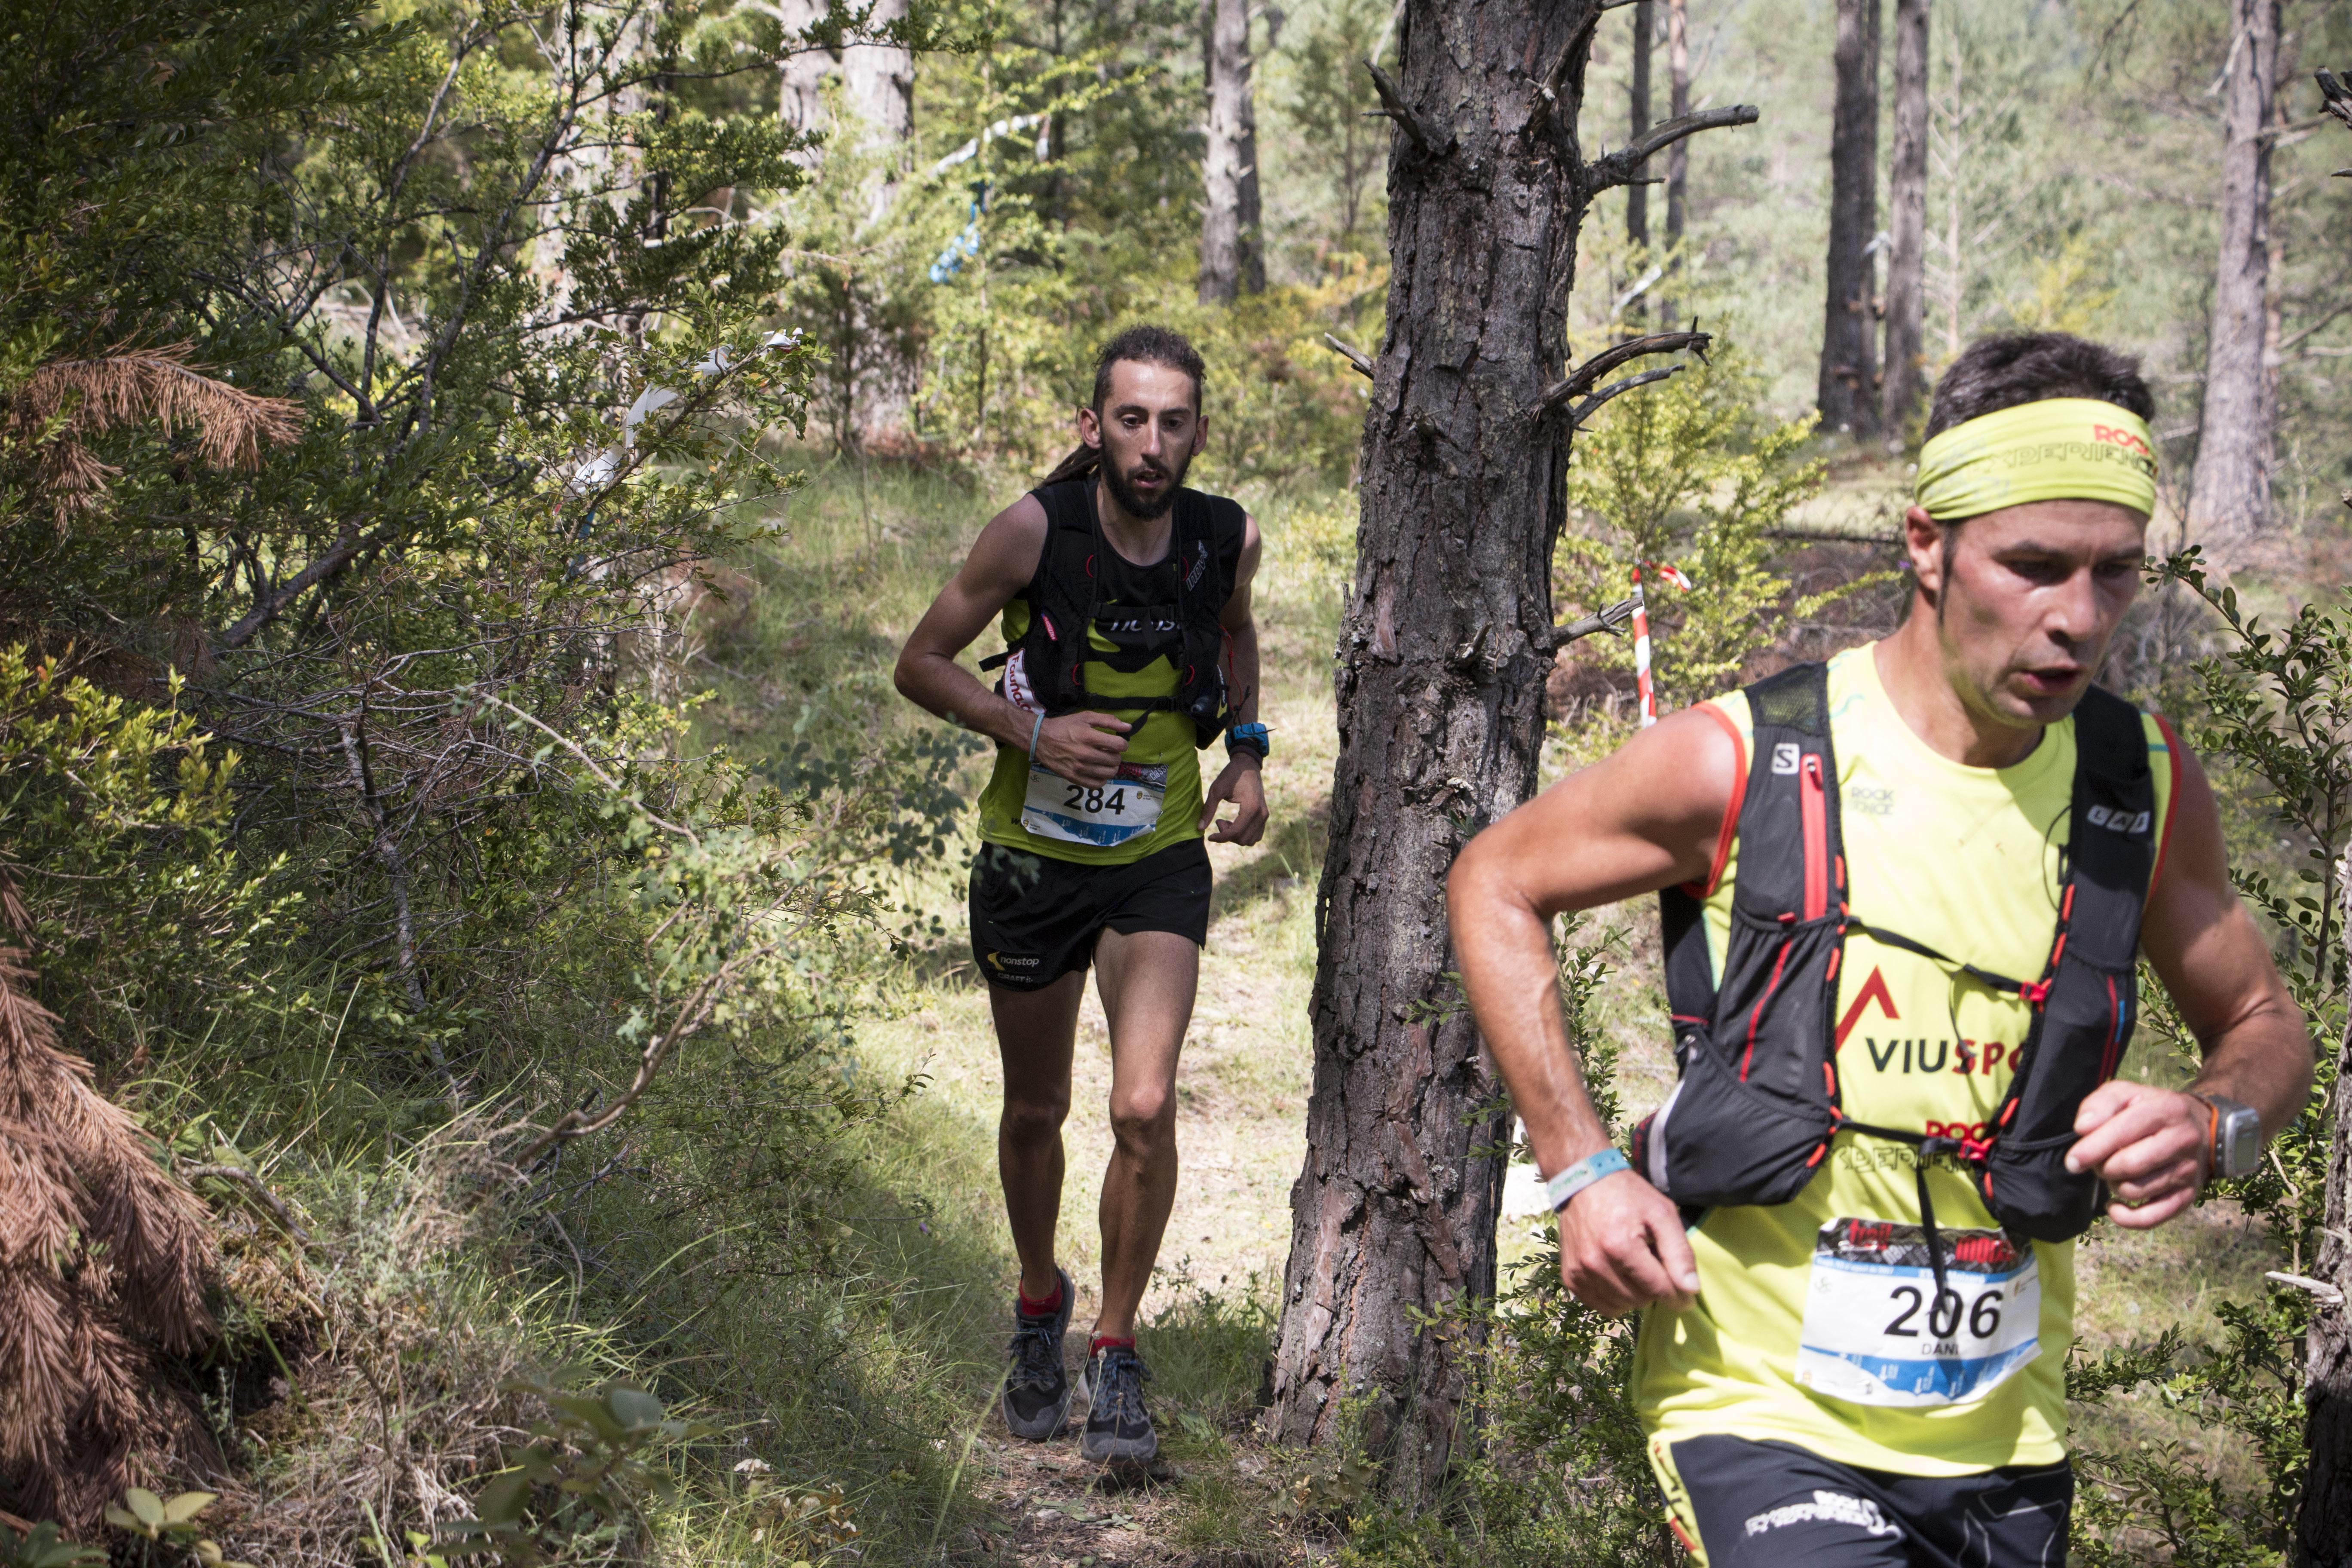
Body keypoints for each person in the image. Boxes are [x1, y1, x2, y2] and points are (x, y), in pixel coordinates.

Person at [1448, 332, 2314, 1566]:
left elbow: (2268, 1030)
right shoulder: (1748, 757)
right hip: (1754, 1410)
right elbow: (1496, 878)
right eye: (2034, 566)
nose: (2078, 620)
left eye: (2117, 576)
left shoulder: (2143, 781)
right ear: (1925, 542)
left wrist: (2216, 1123)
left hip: (2003, 1439)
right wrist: (1581, 1168)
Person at [893, 325, 1268, 1464]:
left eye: (1175, 423)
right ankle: (1038, 1303)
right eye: (1131, 420)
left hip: (1156, 854)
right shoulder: (1031, 532)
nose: (1153, 445)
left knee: (1143, 1109)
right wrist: (1027, 727)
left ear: (1199, 431)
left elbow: (1239, 635)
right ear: (1094, 425)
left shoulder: (1224, 538)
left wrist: (1247, 758)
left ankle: (1115, 1349)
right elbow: (921, 660)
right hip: (1032, 858)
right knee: (1036, 1112)